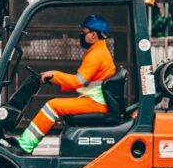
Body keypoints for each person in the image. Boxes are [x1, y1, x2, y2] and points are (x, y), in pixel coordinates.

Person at [15, 15, 116, 154]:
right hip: (96, 101)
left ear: (93, 35)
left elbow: (77, 81)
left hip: (96, 103)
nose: (80, 35)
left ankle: (24, 147)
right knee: (55, 104)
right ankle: (24, 144)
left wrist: (54, 75)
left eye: (83, 32)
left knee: (53, 106)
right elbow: (82, 82)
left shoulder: (97, 54)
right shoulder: (98, 51)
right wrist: (54, 77)